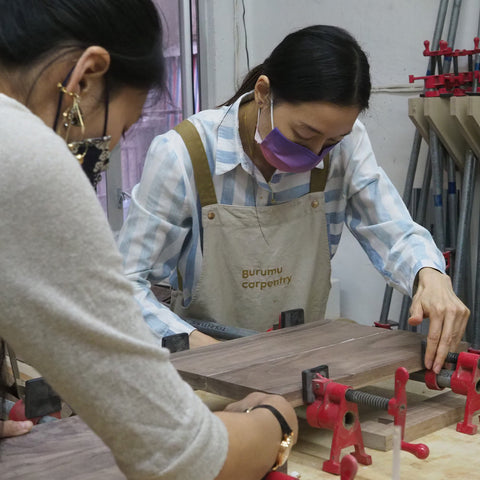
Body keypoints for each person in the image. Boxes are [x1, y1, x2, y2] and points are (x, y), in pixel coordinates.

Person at [0, 1, 299, 479]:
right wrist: (273, 422)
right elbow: (177, 458)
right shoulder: (25, 152)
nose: (104, 154)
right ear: (85, 77)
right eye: (116, 132)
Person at [117, 24, 469, 374]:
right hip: (205, 369)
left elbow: (391, 228)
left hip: (299, 367)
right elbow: (125, 289)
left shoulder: (344, 143)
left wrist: (429, 274)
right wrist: (208, 352)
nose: (316, 155)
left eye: (330, 142)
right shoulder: (182, 155)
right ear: (263, 92)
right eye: (304, 134)